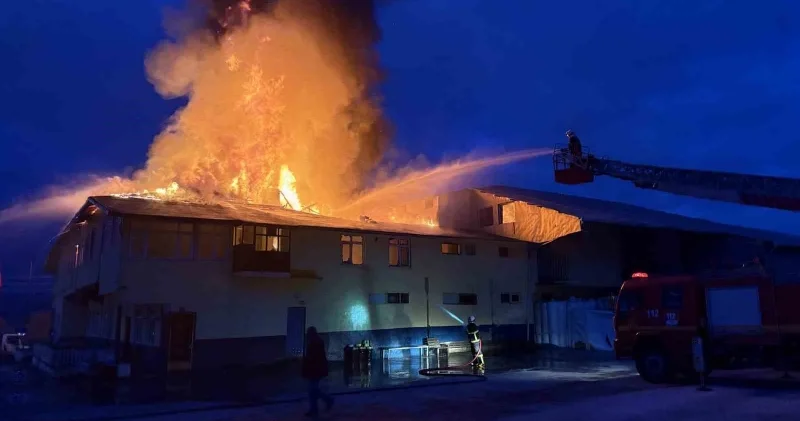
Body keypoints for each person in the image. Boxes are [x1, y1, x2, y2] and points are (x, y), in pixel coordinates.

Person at [302, 326, 334, 418]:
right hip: (316, 370)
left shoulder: (314, 343)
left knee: (313, 390)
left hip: (315, 370)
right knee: (313, 390)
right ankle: (315, 409)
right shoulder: (317, 342)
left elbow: (312, 359)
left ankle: (326, 401)